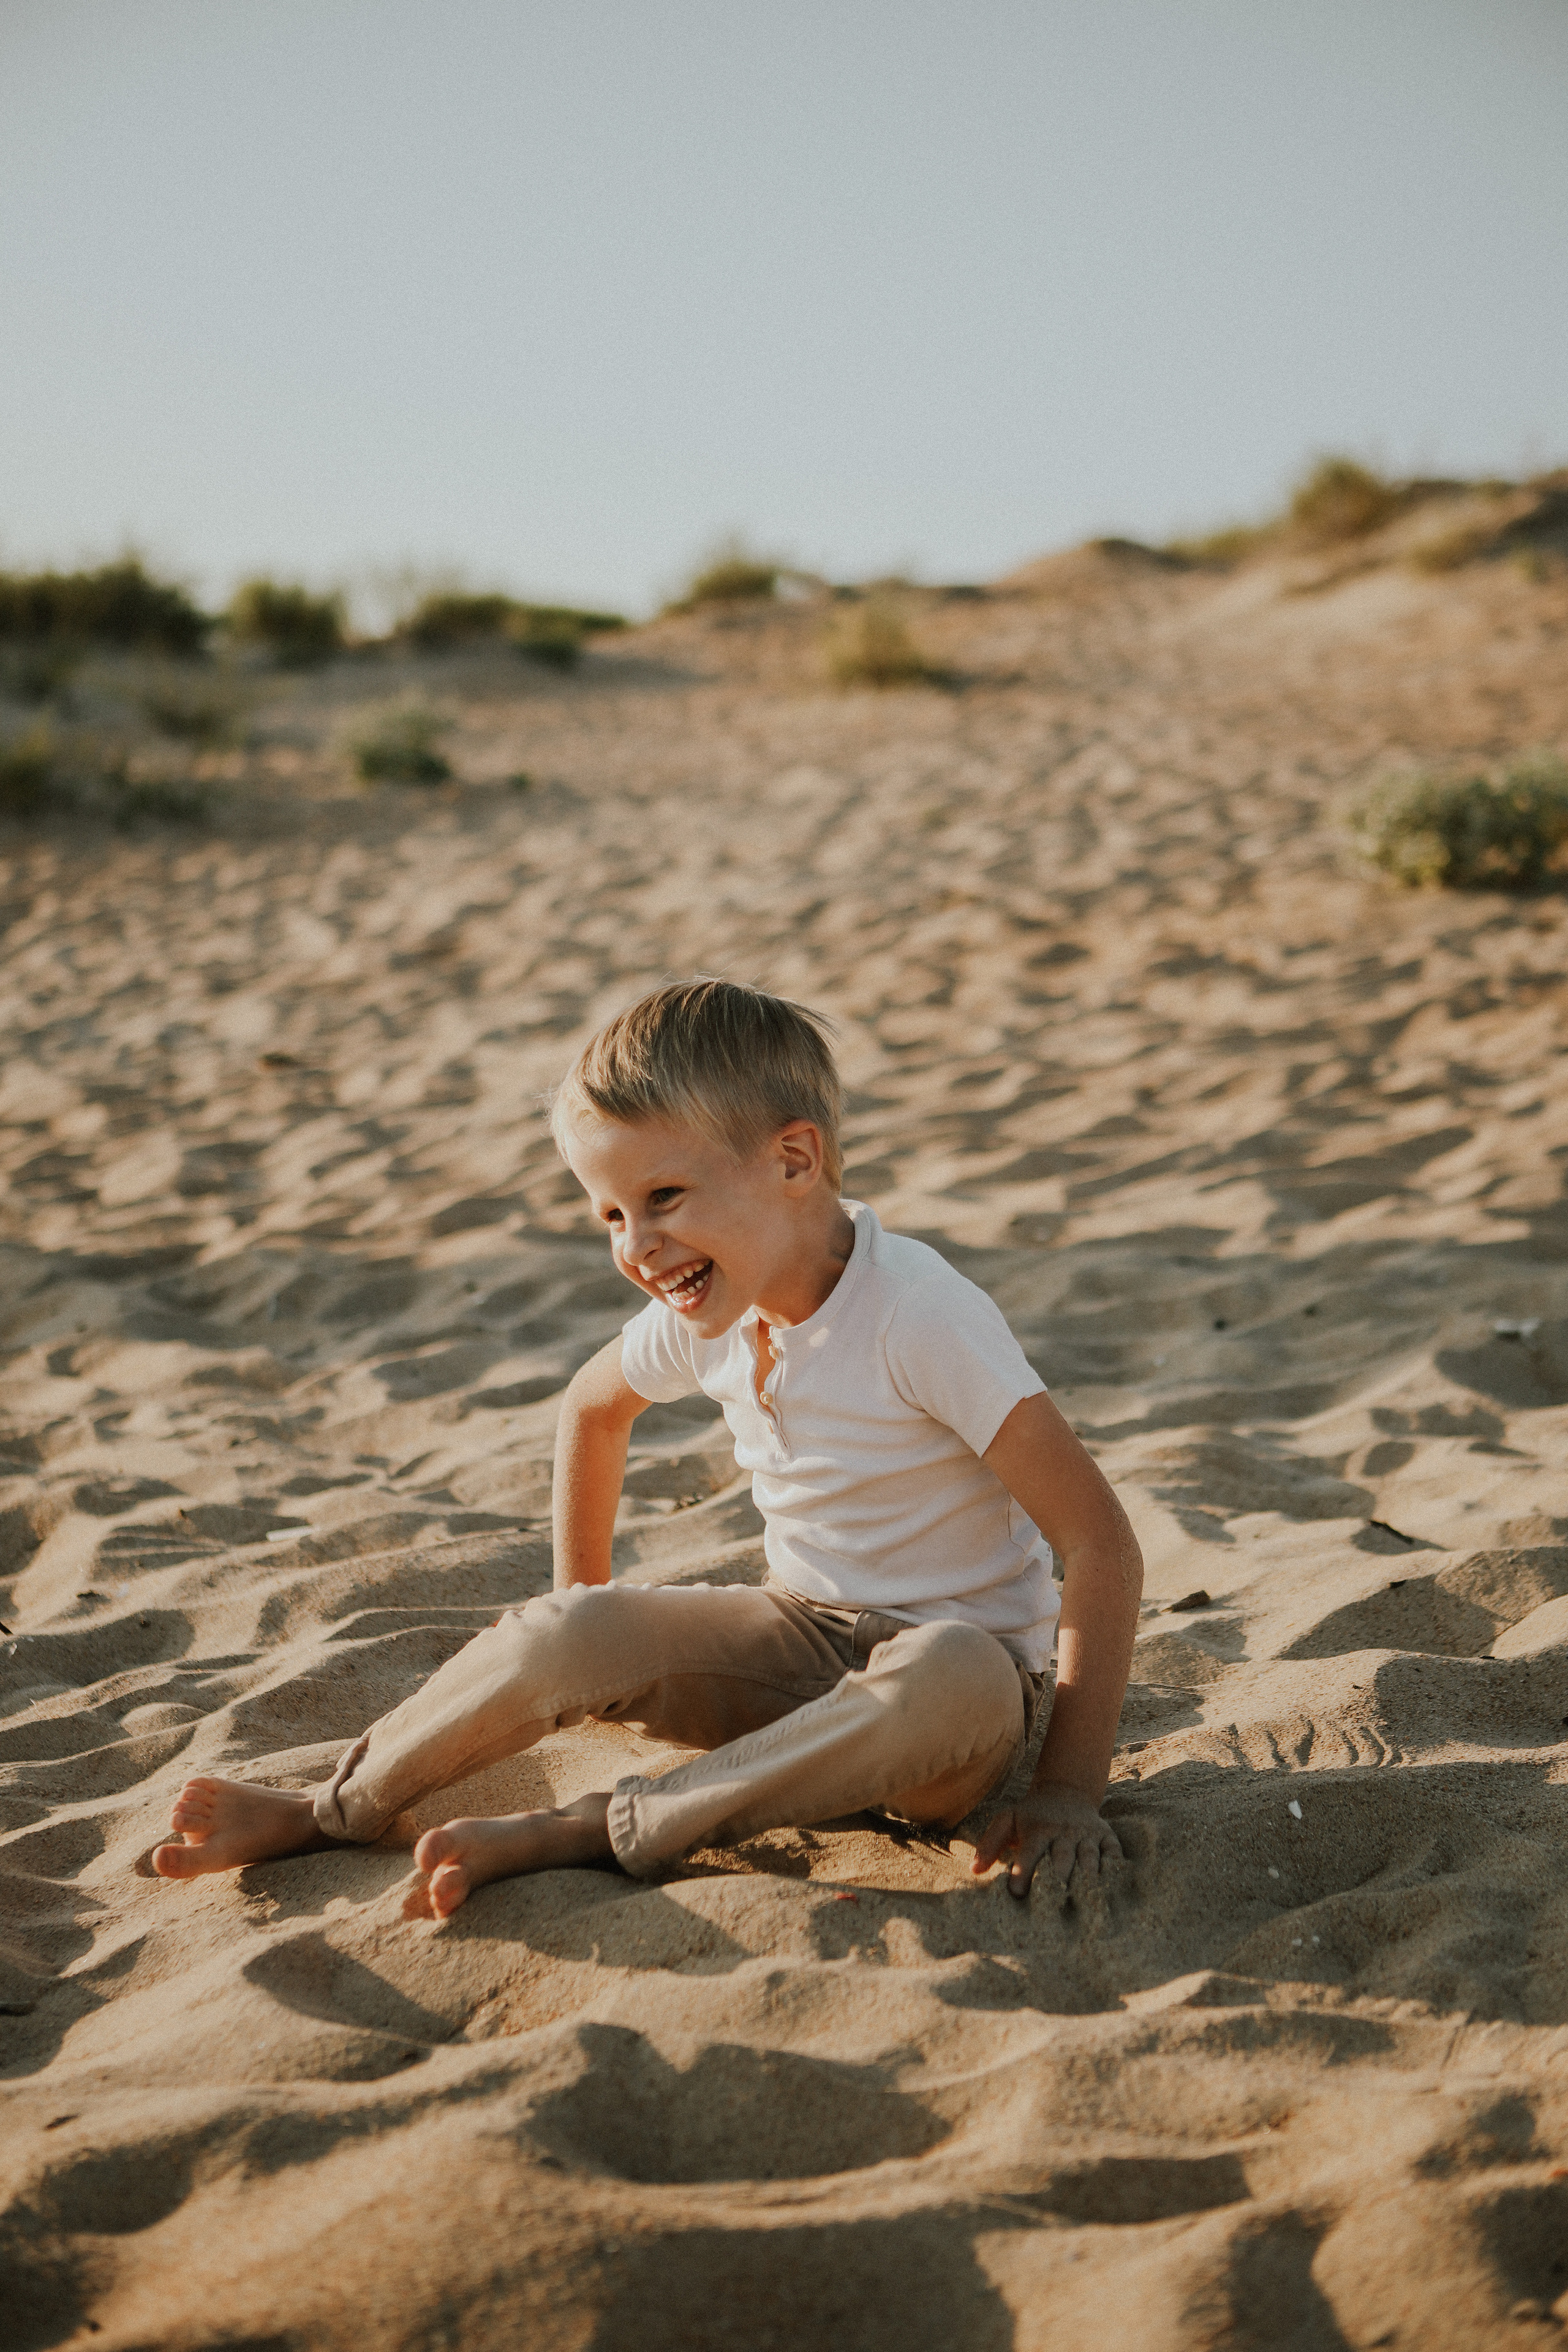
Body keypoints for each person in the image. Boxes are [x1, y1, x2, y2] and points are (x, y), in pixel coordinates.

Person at [154, 979, 1142, 1917]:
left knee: (954, 1667)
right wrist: (581, 1610)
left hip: (958, 1721)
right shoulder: (713, 1305)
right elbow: (592, 1410)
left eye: (664, 1196)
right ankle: (337, 1809)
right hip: (801, 1645)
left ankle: (602, 1828)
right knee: (564, 1632)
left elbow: (1101, 1544)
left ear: (794, 1163)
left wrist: (1067, 1792)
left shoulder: (918, 1316)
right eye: (612, 1215)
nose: (637, 1246)